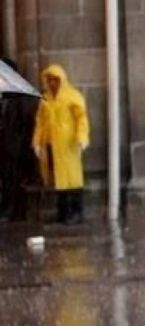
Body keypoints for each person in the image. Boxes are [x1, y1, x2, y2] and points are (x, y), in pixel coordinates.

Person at [32, 64, 90, 224]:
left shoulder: (73, 97)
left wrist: (81, 137)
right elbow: (40, 122)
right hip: (53, 145)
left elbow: (81, 119)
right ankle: (63, 212)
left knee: (73, 179)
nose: (52, 83)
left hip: (69, 145)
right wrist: (37, 142)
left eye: (55, 80)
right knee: (59, 180)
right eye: (49, 80)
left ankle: (77, 212)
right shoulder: (45, 100)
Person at [0, 58, 40, 223]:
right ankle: (7, 208)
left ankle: (14, 211)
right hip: (6, 147)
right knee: (7, 180)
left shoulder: (22, 96)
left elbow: (27, 122)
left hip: (17, 148)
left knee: (15, 181)